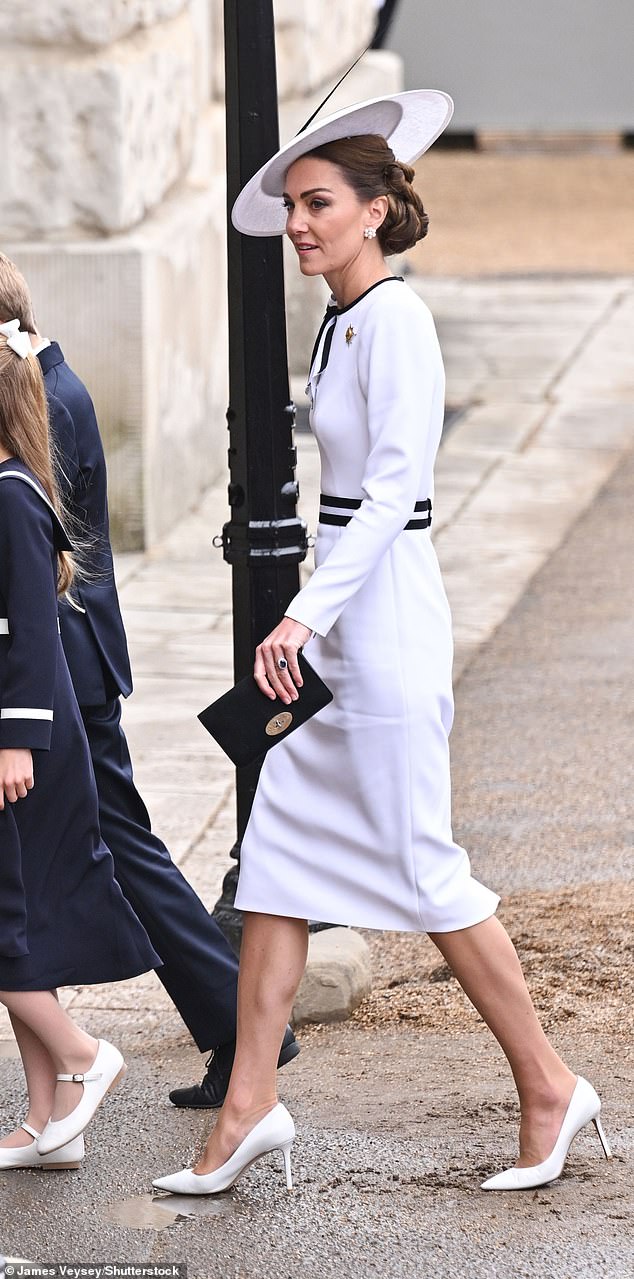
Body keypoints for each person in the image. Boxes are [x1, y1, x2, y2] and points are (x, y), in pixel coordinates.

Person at [153, 89, 612, 1197]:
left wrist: (304, 612)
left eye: (318, 204)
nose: (300, 223)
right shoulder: (342, 315)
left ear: (373, 210)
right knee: (274, 862)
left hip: (386, 617)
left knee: (422, 869)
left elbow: (395, 488)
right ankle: (248, 1104)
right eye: (295, 206)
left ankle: (551, 1084)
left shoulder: (395, 318)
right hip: (346, 618)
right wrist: (314, 616)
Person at [0, 254, 299, 1109]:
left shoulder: (43, 395)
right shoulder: (52, 383)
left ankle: (241, 1028)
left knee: (123, 853)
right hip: (66, 661)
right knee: (117, 852)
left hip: (60, 667)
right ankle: (224, 1030)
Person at [0, 324, 161, 1170]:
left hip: (19, 745)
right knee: (21, 934)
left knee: (8, 930)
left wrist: (14, 742)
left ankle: (85, 1056)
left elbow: (30, 632)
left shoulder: (12, 495)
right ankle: (46, 1121)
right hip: (14, 740)